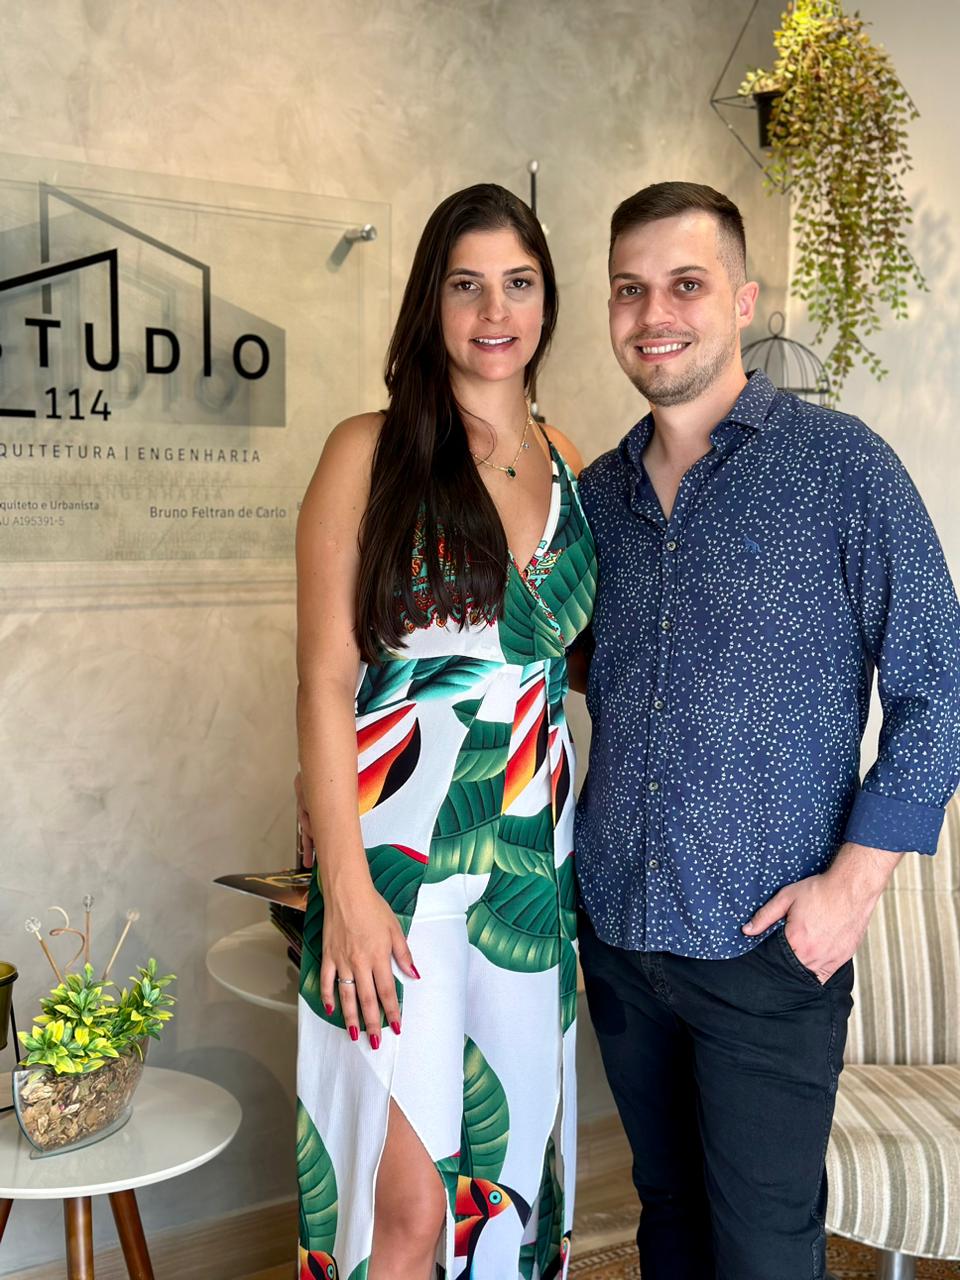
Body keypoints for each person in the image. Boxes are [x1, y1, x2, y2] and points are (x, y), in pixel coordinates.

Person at [573, 181, 960, 1280]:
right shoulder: (596, 498)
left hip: (769, 947)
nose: (656, 313)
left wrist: (855, 887)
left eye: (686, 284)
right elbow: (578, 667)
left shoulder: (841, 467)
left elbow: (941, 682)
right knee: (669, 1221)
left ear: (742, 301)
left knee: (764, 1251)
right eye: (631, 289)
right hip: (623, 935)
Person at [294, 183, 596, 1280]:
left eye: (518, 283)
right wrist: (347, 889)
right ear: (431, 300)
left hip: (529, 863)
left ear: (547, 301)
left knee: (503, 1188)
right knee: (410, 1204)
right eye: (466, 284)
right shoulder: (368, 450)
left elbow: (575, 661)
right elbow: (324, 680)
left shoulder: (567, 458)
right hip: (399, 855)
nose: (493, 311)